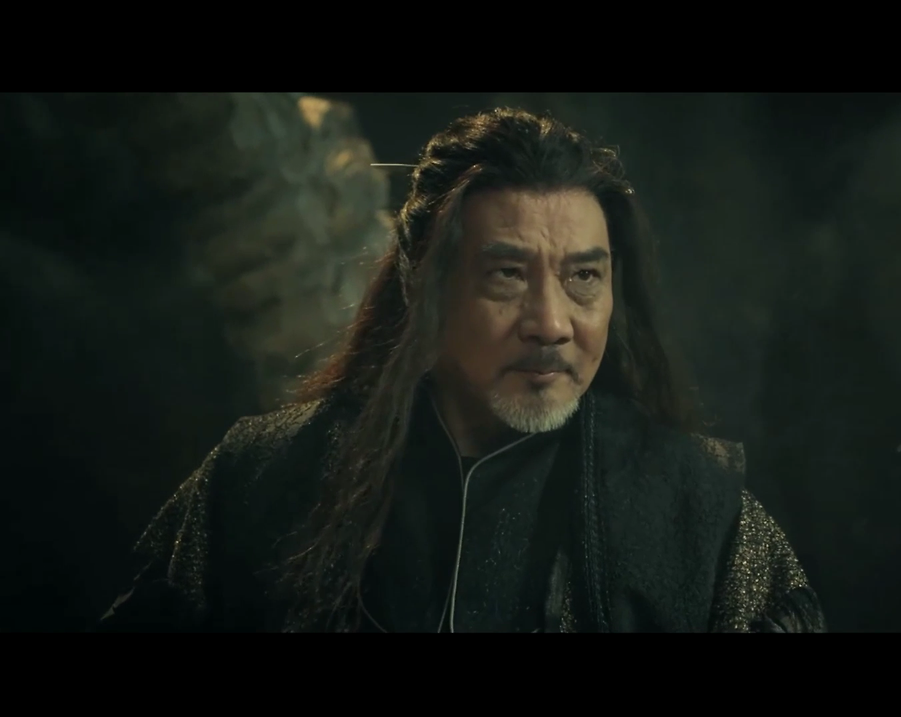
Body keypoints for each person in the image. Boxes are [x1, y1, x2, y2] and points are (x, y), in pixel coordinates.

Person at [100, 107, 824, 633]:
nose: (551, 322)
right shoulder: (261, 479)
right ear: (424, 284)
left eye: (583, 277)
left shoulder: (700, 511)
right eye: (507, 274)